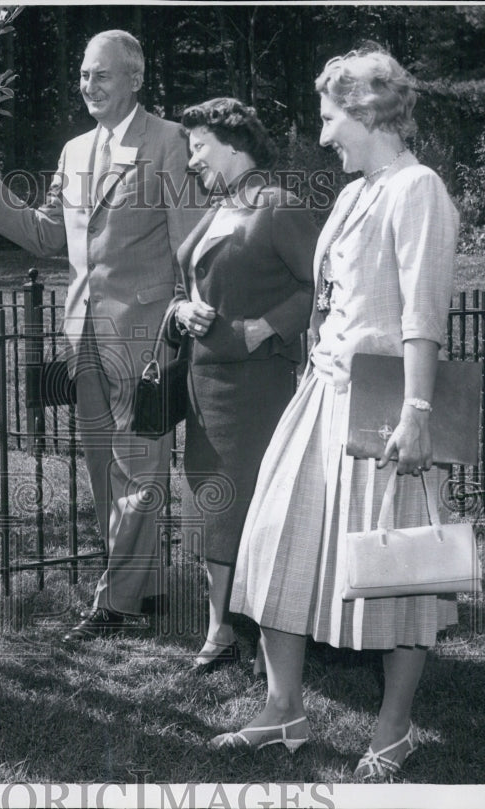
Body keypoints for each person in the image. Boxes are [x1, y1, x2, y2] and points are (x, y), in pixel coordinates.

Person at [213, 46, 459, 781]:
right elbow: (330, 295)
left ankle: (395, 727)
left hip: (384, 405)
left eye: (329, 118)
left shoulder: (418, 189)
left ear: (366, 109)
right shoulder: (357, 191)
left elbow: (422, 311)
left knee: (402, 564)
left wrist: (417, 409)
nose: (323, 137)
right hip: (321, 394)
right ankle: (282, 706)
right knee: (272, 538)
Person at [0, 30, 204, 642]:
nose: (88, 85)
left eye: (102, 75)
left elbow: (191, 239)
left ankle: (116, 602)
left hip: (145, 332)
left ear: (135, 78)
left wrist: (187, 310)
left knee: (138, 468)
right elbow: (49, 237)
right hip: (83, 334)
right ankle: (145, 587)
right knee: (106, 470)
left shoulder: (170, 141)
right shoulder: (73, 152)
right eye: (84, 75)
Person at [164, 98, 316, 673]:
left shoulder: (277, 206)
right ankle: (221, 628)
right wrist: (181, 312)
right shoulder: (221, 205)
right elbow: (188, 285)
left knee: (251, 507)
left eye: (198, 147)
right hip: (206, 386)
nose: (192, 160)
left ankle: (264, 632)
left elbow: (320, 285)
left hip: (257, 389)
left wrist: (266, 326)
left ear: (232, 143)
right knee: (212, 502)